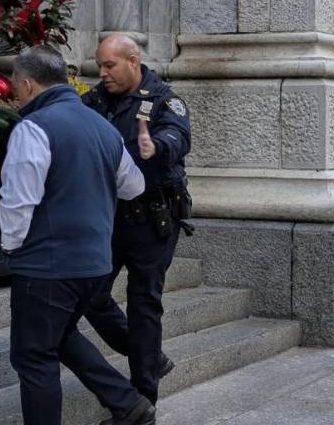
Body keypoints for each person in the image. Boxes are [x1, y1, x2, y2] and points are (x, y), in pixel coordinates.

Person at [0, 45, 154, 425]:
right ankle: (129, 404)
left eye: (16, 87)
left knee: (33, 356)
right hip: (94, 265)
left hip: (47, 266)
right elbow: (133, 186)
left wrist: (10, 248)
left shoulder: (33, 127)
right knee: (62, 335)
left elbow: (19, 202)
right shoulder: (101, 125)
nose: (14, 95)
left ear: (30, 85)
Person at [82, 34, 192, 407]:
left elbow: (178, 135)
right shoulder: (95, 99)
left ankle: (144, 400)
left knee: (144, 304)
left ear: (133, 60)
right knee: (91, 295)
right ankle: (148, 354)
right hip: (109, 220)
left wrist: (156, 146)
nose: (103, 73)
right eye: (99, 65)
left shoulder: (163, 99)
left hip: (153, 221)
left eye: (109, 65)